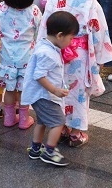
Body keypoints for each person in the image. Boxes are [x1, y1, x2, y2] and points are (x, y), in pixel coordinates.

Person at [38, 0, 112, 147]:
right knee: (79, 92)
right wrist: (100, 57)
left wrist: (40, 54)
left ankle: (61, 127)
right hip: (80, 55)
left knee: (58, 89)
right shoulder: (89, 2)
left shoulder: (52, 1)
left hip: (56, 53)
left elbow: (44, 30)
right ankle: (77, 132)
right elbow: (99, 30)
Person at [21, 11, 79, 166]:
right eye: (71, 37)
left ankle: (35, 149)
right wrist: (55, 90)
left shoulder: (46, 45)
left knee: (42, 120)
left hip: (40, 95)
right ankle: (50, 152)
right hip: (43, 95)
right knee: (58, 121)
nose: (71, 41)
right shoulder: (47, 53)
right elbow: (39, 75)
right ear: (60, 35)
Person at [0, 0, 42, 129]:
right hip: (26, 60)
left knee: (9, 89)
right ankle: (23, 120)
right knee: (22, 91)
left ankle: (8, 119)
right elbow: (38, 32)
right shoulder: (34, 10)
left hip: (6, 57)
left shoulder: (1, 7)